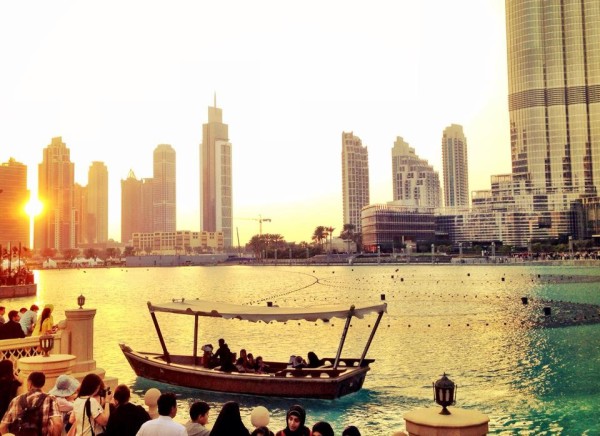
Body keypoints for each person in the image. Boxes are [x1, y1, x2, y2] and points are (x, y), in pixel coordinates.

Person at [0, 371, 62, 436]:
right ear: (42, 384)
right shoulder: (50, 399)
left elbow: (2, 426)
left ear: (30, 383)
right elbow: (57, 423)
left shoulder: (16, 400)